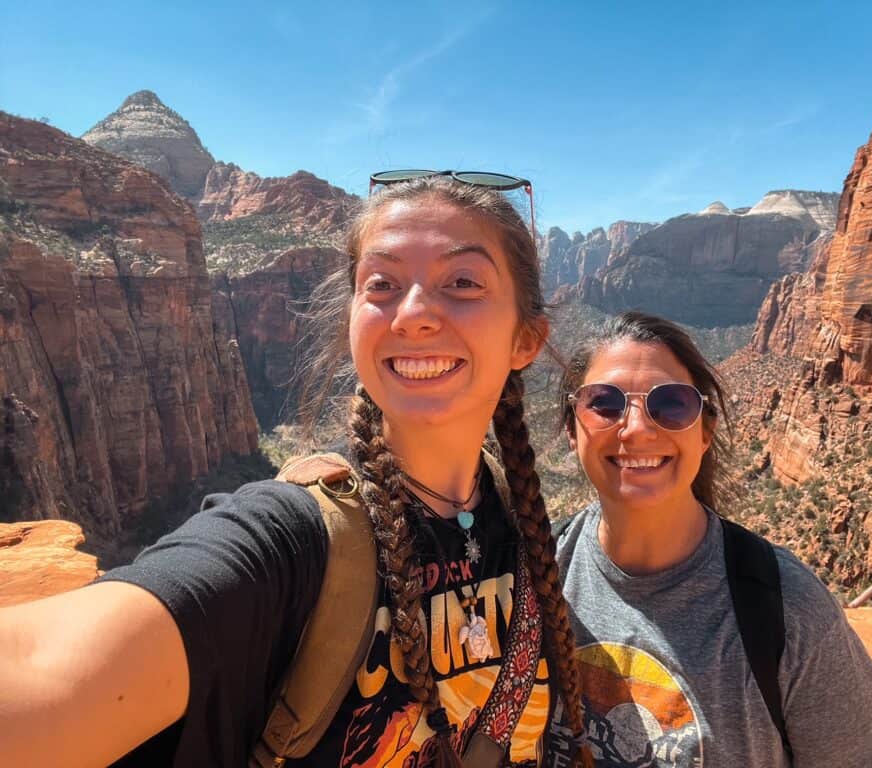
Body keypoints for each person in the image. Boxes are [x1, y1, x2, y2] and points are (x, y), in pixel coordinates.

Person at [0, 173, 592, 767]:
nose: (413, 314)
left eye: (462, 282)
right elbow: (45, 671)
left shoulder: (526, 528)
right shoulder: (294, 537)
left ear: (527, 340)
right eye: (382, 283)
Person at [545, 311, 872, 767]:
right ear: (572, 430)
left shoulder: (788, 612)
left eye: (670, 404)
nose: (636, 428)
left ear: (705, 431)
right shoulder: (542, 571)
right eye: (604, 404)